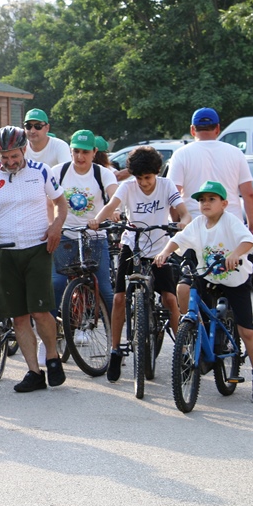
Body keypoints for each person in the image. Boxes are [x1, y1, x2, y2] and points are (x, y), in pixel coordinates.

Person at [154, 180, 253, 402]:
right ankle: (195, 330)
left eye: (211, 199)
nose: (205, 203)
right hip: (208, 277)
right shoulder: (197, 224)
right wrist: (165, 253)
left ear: (224, 203)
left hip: (235, 281)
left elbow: (249, 240)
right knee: (183, 288)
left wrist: (235, 253)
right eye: (202, 200)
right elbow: (178, 239)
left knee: (247, 331)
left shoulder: (230, 222)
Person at [90, 146, 191, 382]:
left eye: (148, 177)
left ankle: (182, 351)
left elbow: (184, 212)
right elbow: (110, 206)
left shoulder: (166, 186)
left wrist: (183, 222)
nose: (144, 183)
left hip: (159, 249)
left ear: (156, 172)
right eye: (139, 178)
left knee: (169, 298)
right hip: (132, 247)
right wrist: (97, 219)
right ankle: (115, 350)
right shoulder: (128, 186)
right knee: (118, 299)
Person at [0, 126, 69, 392]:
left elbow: (61, 204)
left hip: (38, 248)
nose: (9, 162)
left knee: (41, 312)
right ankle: (33, 372)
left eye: (13, 156)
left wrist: (56, 226)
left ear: (24, 150)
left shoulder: (42, 171)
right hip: (7, 251)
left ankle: (52, 357)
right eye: (3, 157)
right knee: (18, 317)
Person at [51, 130, 118, 318]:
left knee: (104, 287)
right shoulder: (58, 172)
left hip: (94, 236)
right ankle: (50, 334)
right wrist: (52, 224)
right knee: (56, 283)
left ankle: (116, 338)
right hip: (66, 235)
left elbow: (115, 196)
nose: (80, 156)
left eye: (86, 152)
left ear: (95, 152)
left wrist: (115, 211)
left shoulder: (102, 173)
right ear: (70, 150)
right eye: (76, 151)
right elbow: (47, 201)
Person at [168, 107, 253, 241]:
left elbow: (173, 195)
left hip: (194, 226)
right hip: (231, 225)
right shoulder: (236, 153)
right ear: (217, 128)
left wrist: (177, 223)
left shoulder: (181, 154)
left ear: (192, 130)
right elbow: (249, 194)